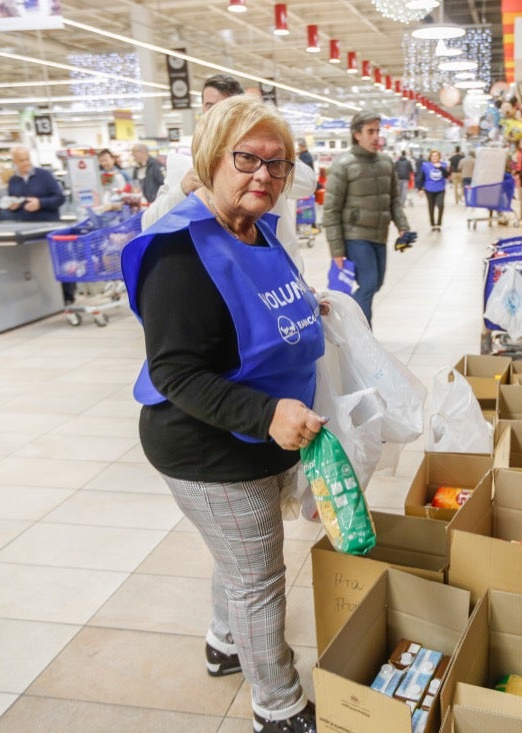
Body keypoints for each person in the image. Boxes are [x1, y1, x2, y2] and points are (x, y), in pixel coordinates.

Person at [120, 94, 323, 733]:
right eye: (247, 159)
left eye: (277, 163)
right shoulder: (178, 253)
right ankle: (278, 707)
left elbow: (249, 311)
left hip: (255, 433)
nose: (263, 175)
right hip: (207, 445)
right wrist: (265, 414)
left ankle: (224, 643)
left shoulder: (253, 226)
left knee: (240, 557)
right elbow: (175, 371)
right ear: (212, 159)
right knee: (259, 577)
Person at [142, 74, 316, 273]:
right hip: (220, 274)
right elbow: (150, 223)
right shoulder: (184, 160)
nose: (218, 114)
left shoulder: (266, 155)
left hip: (278, 268)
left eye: (228, 107)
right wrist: (182, 190)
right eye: (210, 106)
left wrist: (268, 152)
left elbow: (307, 184)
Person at [322, 110, 413, 326]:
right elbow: (331, 209)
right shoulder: (343, 165)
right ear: (357, 134)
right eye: (370, 131)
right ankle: (363, 336)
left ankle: (346, 317)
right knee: (369, 283)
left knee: (376, 283)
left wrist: (403, 227)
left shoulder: (386, 162)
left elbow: (393, 201)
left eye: (378, 131)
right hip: (355, 235)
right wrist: (337, 250)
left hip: (379, 235)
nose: (376, 137)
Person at [4, 146, 73, 304]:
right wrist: (14, 205)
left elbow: (59, 198)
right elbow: (15, 200)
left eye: (27, 158)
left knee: (57, 263)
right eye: (21, 160)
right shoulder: (13, 180)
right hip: (27, 230)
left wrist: (40, 203)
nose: (26, 162)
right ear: (14, 161)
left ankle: (67, 297)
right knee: (36, 266)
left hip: (49, 227)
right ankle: (45, 298)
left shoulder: (44, 176)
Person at [418, 149, 448, 232]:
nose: (434, 157)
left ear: (439, 157)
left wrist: (441, 168)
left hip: (440, 189)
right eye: (433, 156)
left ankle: (438, 223)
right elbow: (421, 177)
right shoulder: (425, 165)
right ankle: (432, 224)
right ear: (430, 157)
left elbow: (447, 175)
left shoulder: (443, 165)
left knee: (440, 205)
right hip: (429, 189)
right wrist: (420, 188)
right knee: (431, 207)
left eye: (436, 156)